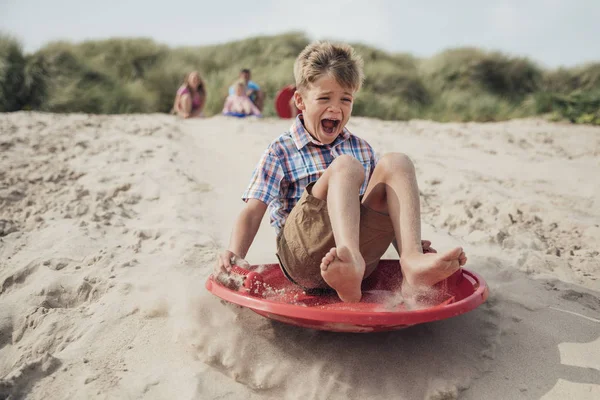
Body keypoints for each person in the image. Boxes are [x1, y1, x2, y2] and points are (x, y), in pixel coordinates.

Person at [216, 41, 467, 303]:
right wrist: (234, 256)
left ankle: (411, 264)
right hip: (302, 256)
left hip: (361, 256)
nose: (335, 108)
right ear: (300, 101)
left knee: (397, 163)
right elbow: (253, 211)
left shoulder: (362, 148)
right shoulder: (281, 150)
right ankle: (349, 259)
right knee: (345, 166)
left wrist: (404, 244)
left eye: (345, 99)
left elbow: (381, 209)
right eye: (324, 98)